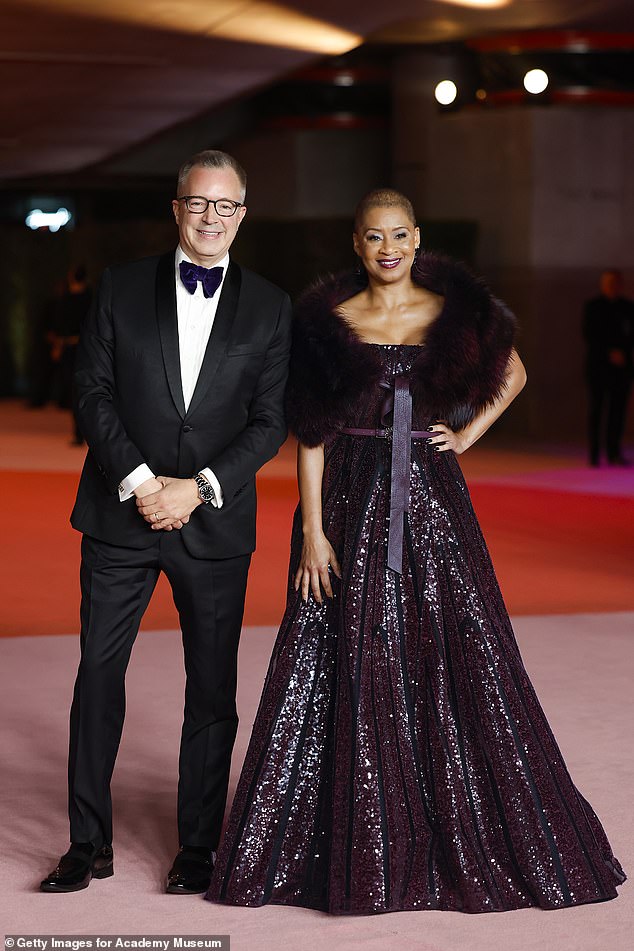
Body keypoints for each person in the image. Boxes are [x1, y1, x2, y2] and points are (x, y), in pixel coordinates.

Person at [206, 189, 625, 914]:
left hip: (432, 506)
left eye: (400, 235)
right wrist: (311, 530)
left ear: (417, 237)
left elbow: (515, 372)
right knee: (336, 650)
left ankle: (444, 833)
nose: (388, 247)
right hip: (346, 497)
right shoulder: (331, 323)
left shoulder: (450, 312)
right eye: (374, 237)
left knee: (460, 651)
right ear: (357, 244)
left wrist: (464, 436)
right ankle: (358, 842)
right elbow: (310, 431)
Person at [40, 150, 292, 895]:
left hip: (213, 526)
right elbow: (91, 393)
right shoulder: (119, 287)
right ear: (176, 207)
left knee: (212, 689)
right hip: (121, 516)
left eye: (226, 205)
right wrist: (145, 482)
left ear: (242, 213)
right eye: (198, 203)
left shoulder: (273, 306)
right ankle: (88, 842)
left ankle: (198, 848)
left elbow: (271, 420)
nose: (211, 217)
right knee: (96, 676)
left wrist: (199, 487)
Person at [582, 269, 633, 467]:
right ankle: (594, 454)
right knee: (597, 410)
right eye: (607, 282)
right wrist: (609, 352)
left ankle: (614, 452)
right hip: (599, 366)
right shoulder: (593, 307)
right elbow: (589, 334)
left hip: (622, 368)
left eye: (614, 282)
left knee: (617, 411)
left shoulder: (627, 307)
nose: (611, 286)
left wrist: (623, 353)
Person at [53, 265, 93, 444]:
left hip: (73, 348)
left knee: (76, 391)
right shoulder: (91, 298)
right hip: (87, 348)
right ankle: (86, 432)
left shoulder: (67, 300)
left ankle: (79, 433)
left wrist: (58, 346)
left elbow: (60, 325)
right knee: (87, 390)